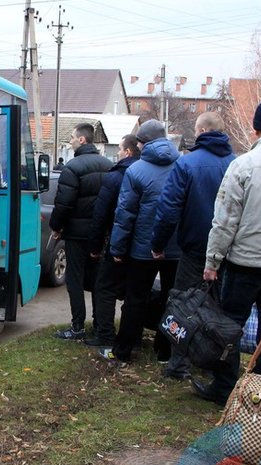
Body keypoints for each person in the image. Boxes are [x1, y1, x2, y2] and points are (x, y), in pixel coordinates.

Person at [192, 97, 261, 405]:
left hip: (241, 264)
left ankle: (225, 386)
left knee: (230, 328)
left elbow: (224, 221)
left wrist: (212, 261)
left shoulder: (243, 165)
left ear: (255, 129)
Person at [150, 111, 235, 379]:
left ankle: (178, 364)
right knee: (220, 310)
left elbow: (168, 209)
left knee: (182, 306)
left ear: (200, 131)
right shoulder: (237, 163)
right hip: (229, 252)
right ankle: (215, 365)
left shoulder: (187, 164)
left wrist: (158, 244)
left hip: (195, 248)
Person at [100, 120, 181, 364]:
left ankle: (124, 351)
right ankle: (165, 352)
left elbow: (125, 215)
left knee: (135, 299)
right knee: (173, 299)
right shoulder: (182, 165)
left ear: (142, 144)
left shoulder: (136, 170)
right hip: (176, 248)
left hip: (142, 248)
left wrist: (117, 248)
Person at [50, 123, 113, 339]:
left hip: (76, 234)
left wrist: (56, 227)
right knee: (98, 280)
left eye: (72, 138)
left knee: (75, 280)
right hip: (101, 233)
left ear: (82, 140)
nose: (71, 142)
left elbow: (64, 203)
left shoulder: (72, 167)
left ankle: (77, 326)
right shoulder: (108, 166)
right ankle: (99, 323)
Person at [84, 134, 141, 347]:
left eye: (119, 149)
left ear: (127, 152)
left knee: (104, 289)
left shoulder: (116, 176)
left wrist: (95, 246)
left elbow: (100, 214)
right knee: (134, 293)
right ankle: (131, 338)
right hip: (142, 246)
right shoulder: (150, 173)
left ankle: (105, 335)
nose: (117, 153)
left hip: (116, 241)